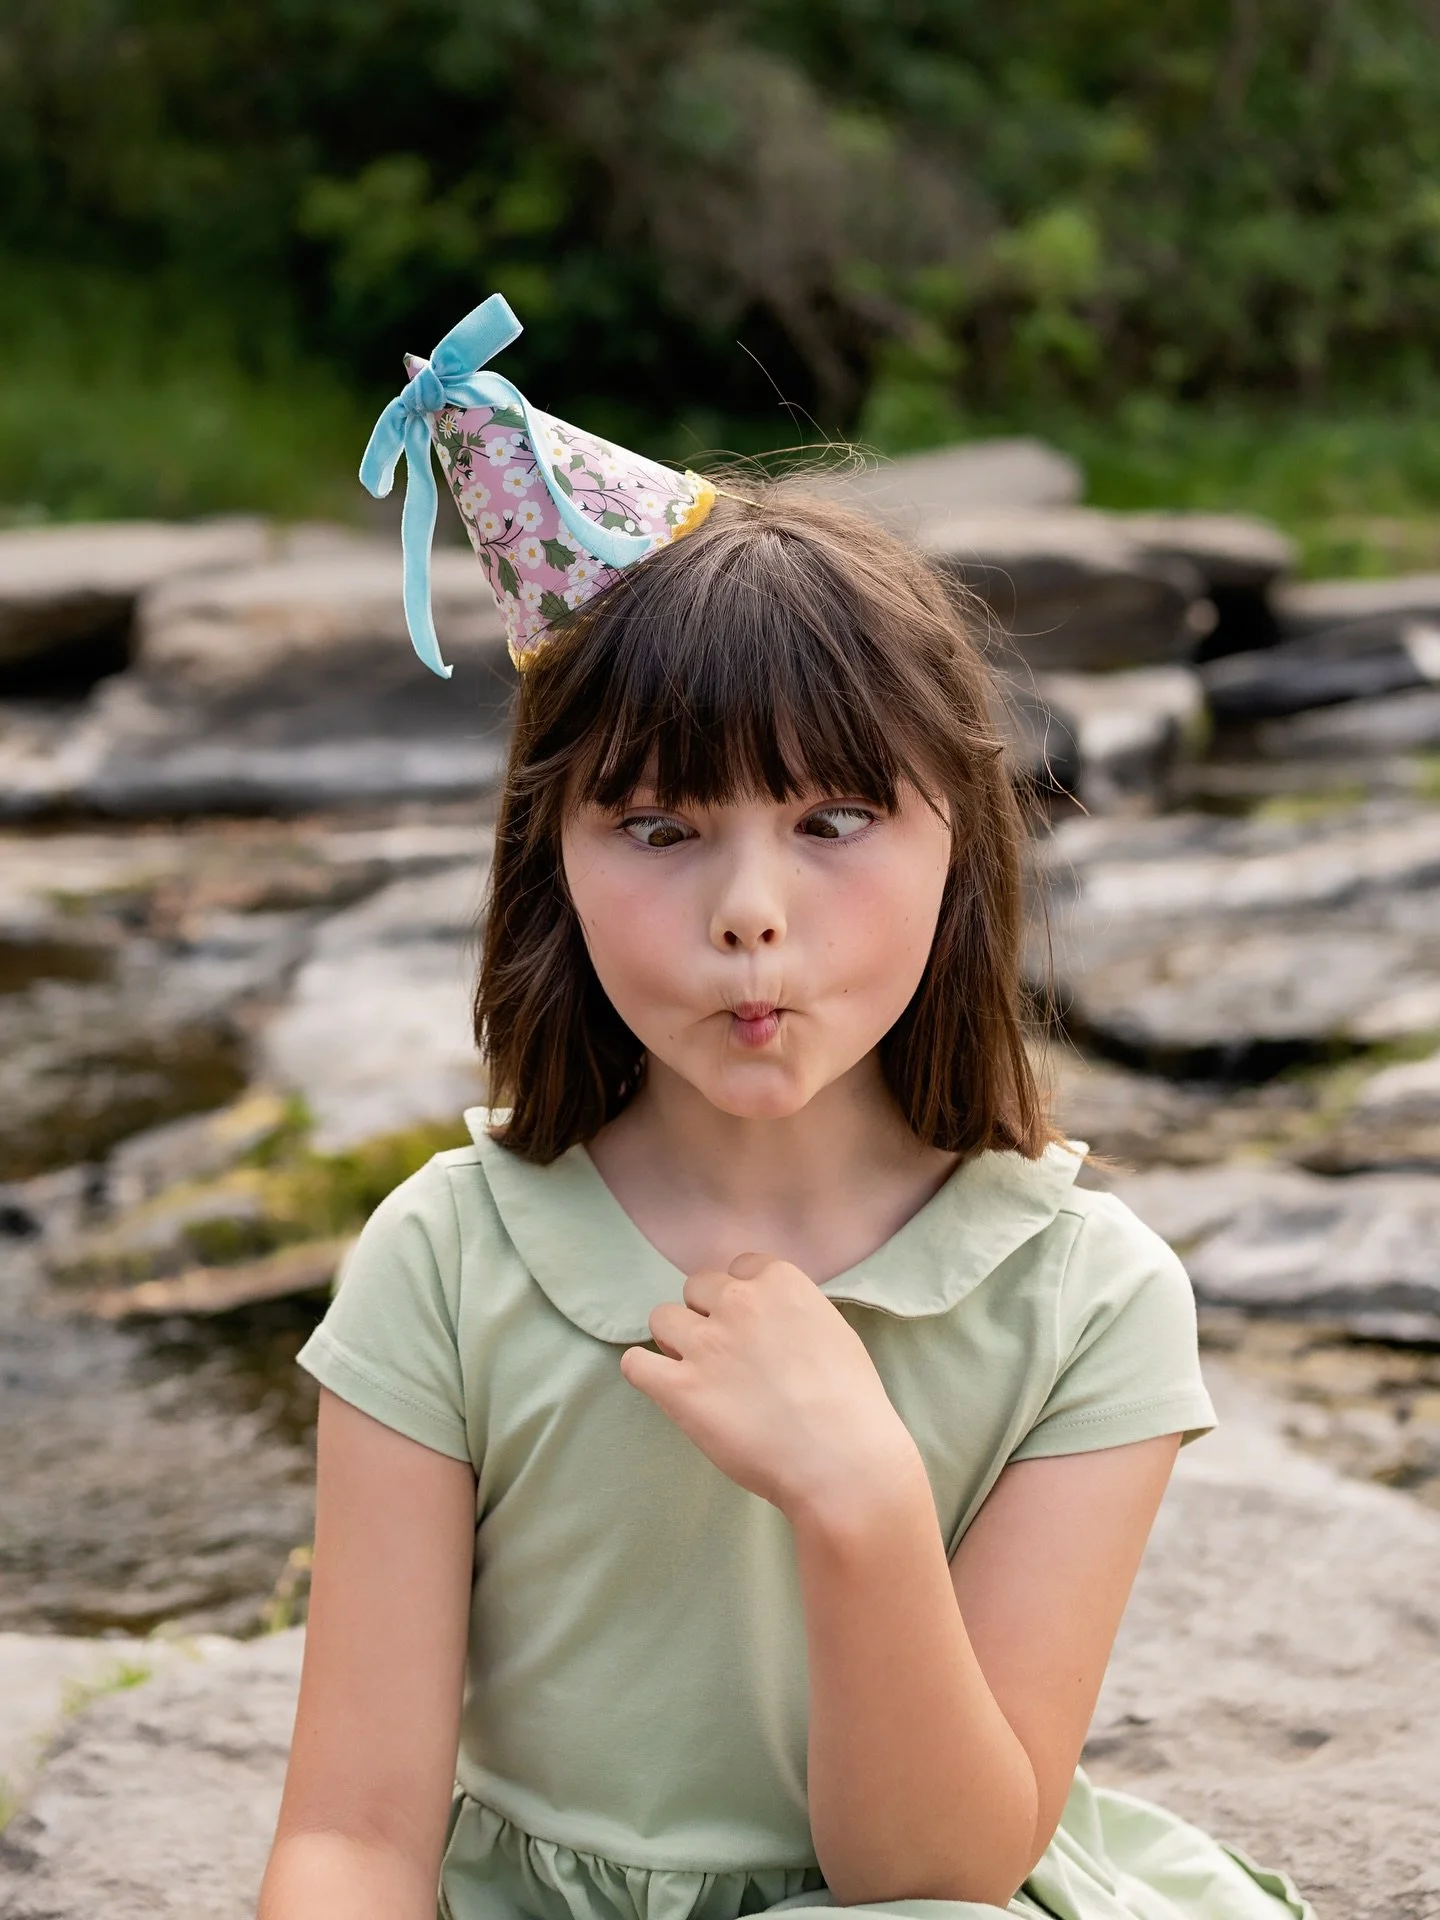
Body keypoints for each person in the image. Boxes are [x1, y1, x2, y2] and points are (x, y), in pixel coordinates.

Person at [257, 299, 1312, 1920]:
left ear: (962, 839)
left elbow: (942, 1875)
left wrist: (863, 1496)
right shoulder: (447, 1263)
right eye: (661, 829)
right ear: (553, 861)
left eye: (832, 818)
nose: (751, 912)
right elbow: (351, 1835)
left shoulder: (1088, 1301)